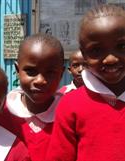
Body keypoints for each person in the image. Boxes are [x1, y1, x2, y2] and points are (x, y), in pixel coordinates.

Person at [46, 4, 125, 161]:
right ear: (84, 55)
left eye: (122, 46)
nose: (111, 59)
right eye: (96, 50)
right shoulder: (70, 105)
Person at [0, 33, 65, 161]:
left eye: (50, 72)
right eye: (31, 71)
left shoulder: (69, 114)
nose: (40, 80)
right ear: (17, 71)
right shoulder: (0, 113)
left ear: (61, 74)